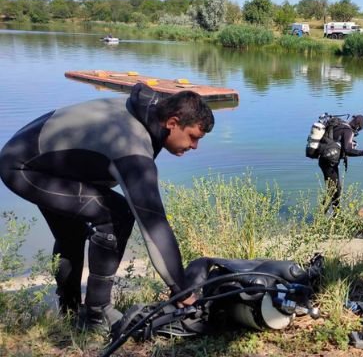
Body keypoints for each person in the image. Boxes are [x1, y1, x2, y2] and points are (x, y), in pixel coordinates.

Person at [0, 84, 213, 331]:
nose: (195, 146)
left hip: (41, 160)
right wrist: (182, 292)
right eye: (194, 137)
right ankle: (96, 314)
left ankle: (70, 316)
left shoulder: (150, 112)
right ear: (173, 122)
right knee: (117, 215)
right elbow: (153, 223)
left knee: (72, 235)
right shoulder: (131, 143)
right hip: (25, 168)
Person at [318, 114, 363, 214]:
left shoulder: (340, 124)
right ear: (357, 126)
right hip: (329, 163)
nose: (358, 131)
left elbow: (337, 142)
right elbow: (348, 150)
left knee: (336, 190)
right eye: (360, 128)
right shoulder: (348, 131)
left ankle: (336, 216)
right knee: (333, 191)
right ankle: (321, 217)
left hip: (325, 161)